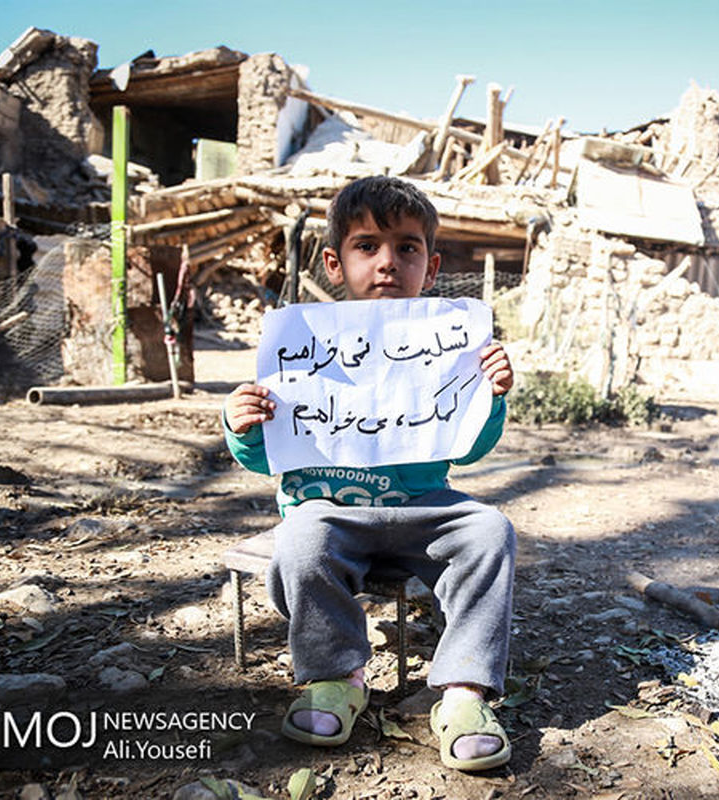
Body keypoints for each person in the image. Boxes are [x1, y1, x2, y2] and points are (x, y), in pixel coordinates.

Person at [222, 176, 515, 772]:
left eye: (407, 248)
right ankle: (336, 678)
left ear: (430, 268)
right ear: (334, 263)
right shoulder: (302, 346)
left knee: (490, 530)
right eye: (367, 247)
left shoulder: (449, 343)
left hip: (424, 510)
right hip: (330, 515)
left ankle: (464, 692)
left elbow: (470, 448)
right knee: (301, 537)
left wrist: (491, 395)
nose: (388, 262)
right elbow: (265, 458)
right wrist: (243, 423)